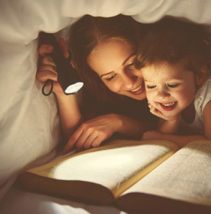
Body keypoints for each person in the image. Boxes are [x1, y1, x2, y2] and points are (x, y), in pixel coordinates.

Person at [37, 15, 156, 152]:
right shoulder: (103, 97)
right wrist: (63, 91)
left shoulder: (176, 68)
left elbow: (176, 129)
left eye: (132, 64)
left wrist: (120, 123)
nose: (129, 83)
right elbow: (79, 140)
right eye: (110, 77)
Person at [136, 17, 211, 147]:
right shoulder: (169, 101)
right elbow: (163, 132)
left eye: (172, 85)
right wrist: (172, 119)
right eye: (151, 86)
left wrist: (162, 137)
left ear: (199, 76)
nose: (161, 95)